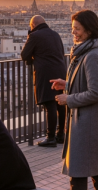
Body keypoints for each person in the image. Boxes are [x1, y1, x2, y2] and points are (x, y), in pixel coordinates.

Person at [50, 10, 98, 190]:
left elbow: (96, 92)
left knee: (79, 173)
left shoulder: (91, 56)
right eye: (73, 28)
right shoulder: (89, 52)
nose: (73, 32)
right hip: (88, 122)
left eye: (77, 29)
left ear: (89, 30)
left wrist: (69, 99)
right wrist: (67, 84)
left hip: (89, 124)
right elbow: (91, 86)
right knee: (97, 172)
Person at [21, 15, 67, 147]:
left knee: (49, 104)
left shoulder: (35, 36)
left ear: (33, 25)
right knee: (61, 103)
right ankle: (61, 135)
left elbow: (24, 55)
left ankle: (50, 137)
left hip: (46, 73)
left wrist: (30, 37)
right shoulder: (55, 34)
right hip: (60, 71)